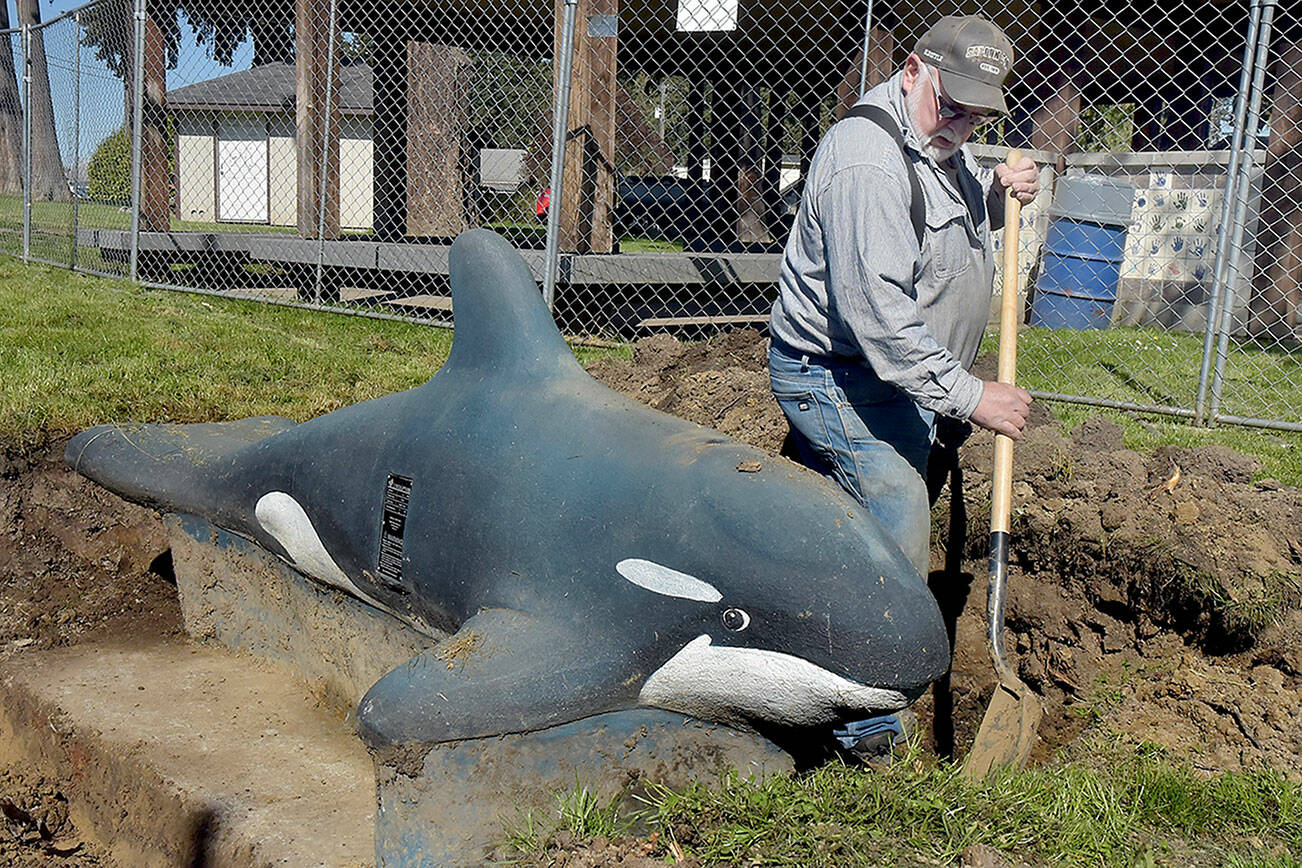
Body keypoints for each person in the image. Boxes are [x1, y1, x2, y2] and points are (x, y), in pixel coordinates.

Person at [767, 15, 1039, 760]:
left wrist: (992, 191)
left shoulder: (933, 136)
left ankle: (793, 653)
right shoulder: (868, 158)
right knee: (893, 505)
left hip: (894, 382)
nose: (962, 124)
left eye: (979, 114)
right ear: (914, 68)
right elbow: (882, 318)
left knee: (825, 526)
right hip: (836, 373)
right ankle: (866, 729)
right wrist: (972, 395)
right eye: (952, 106)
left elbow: (931, 229)